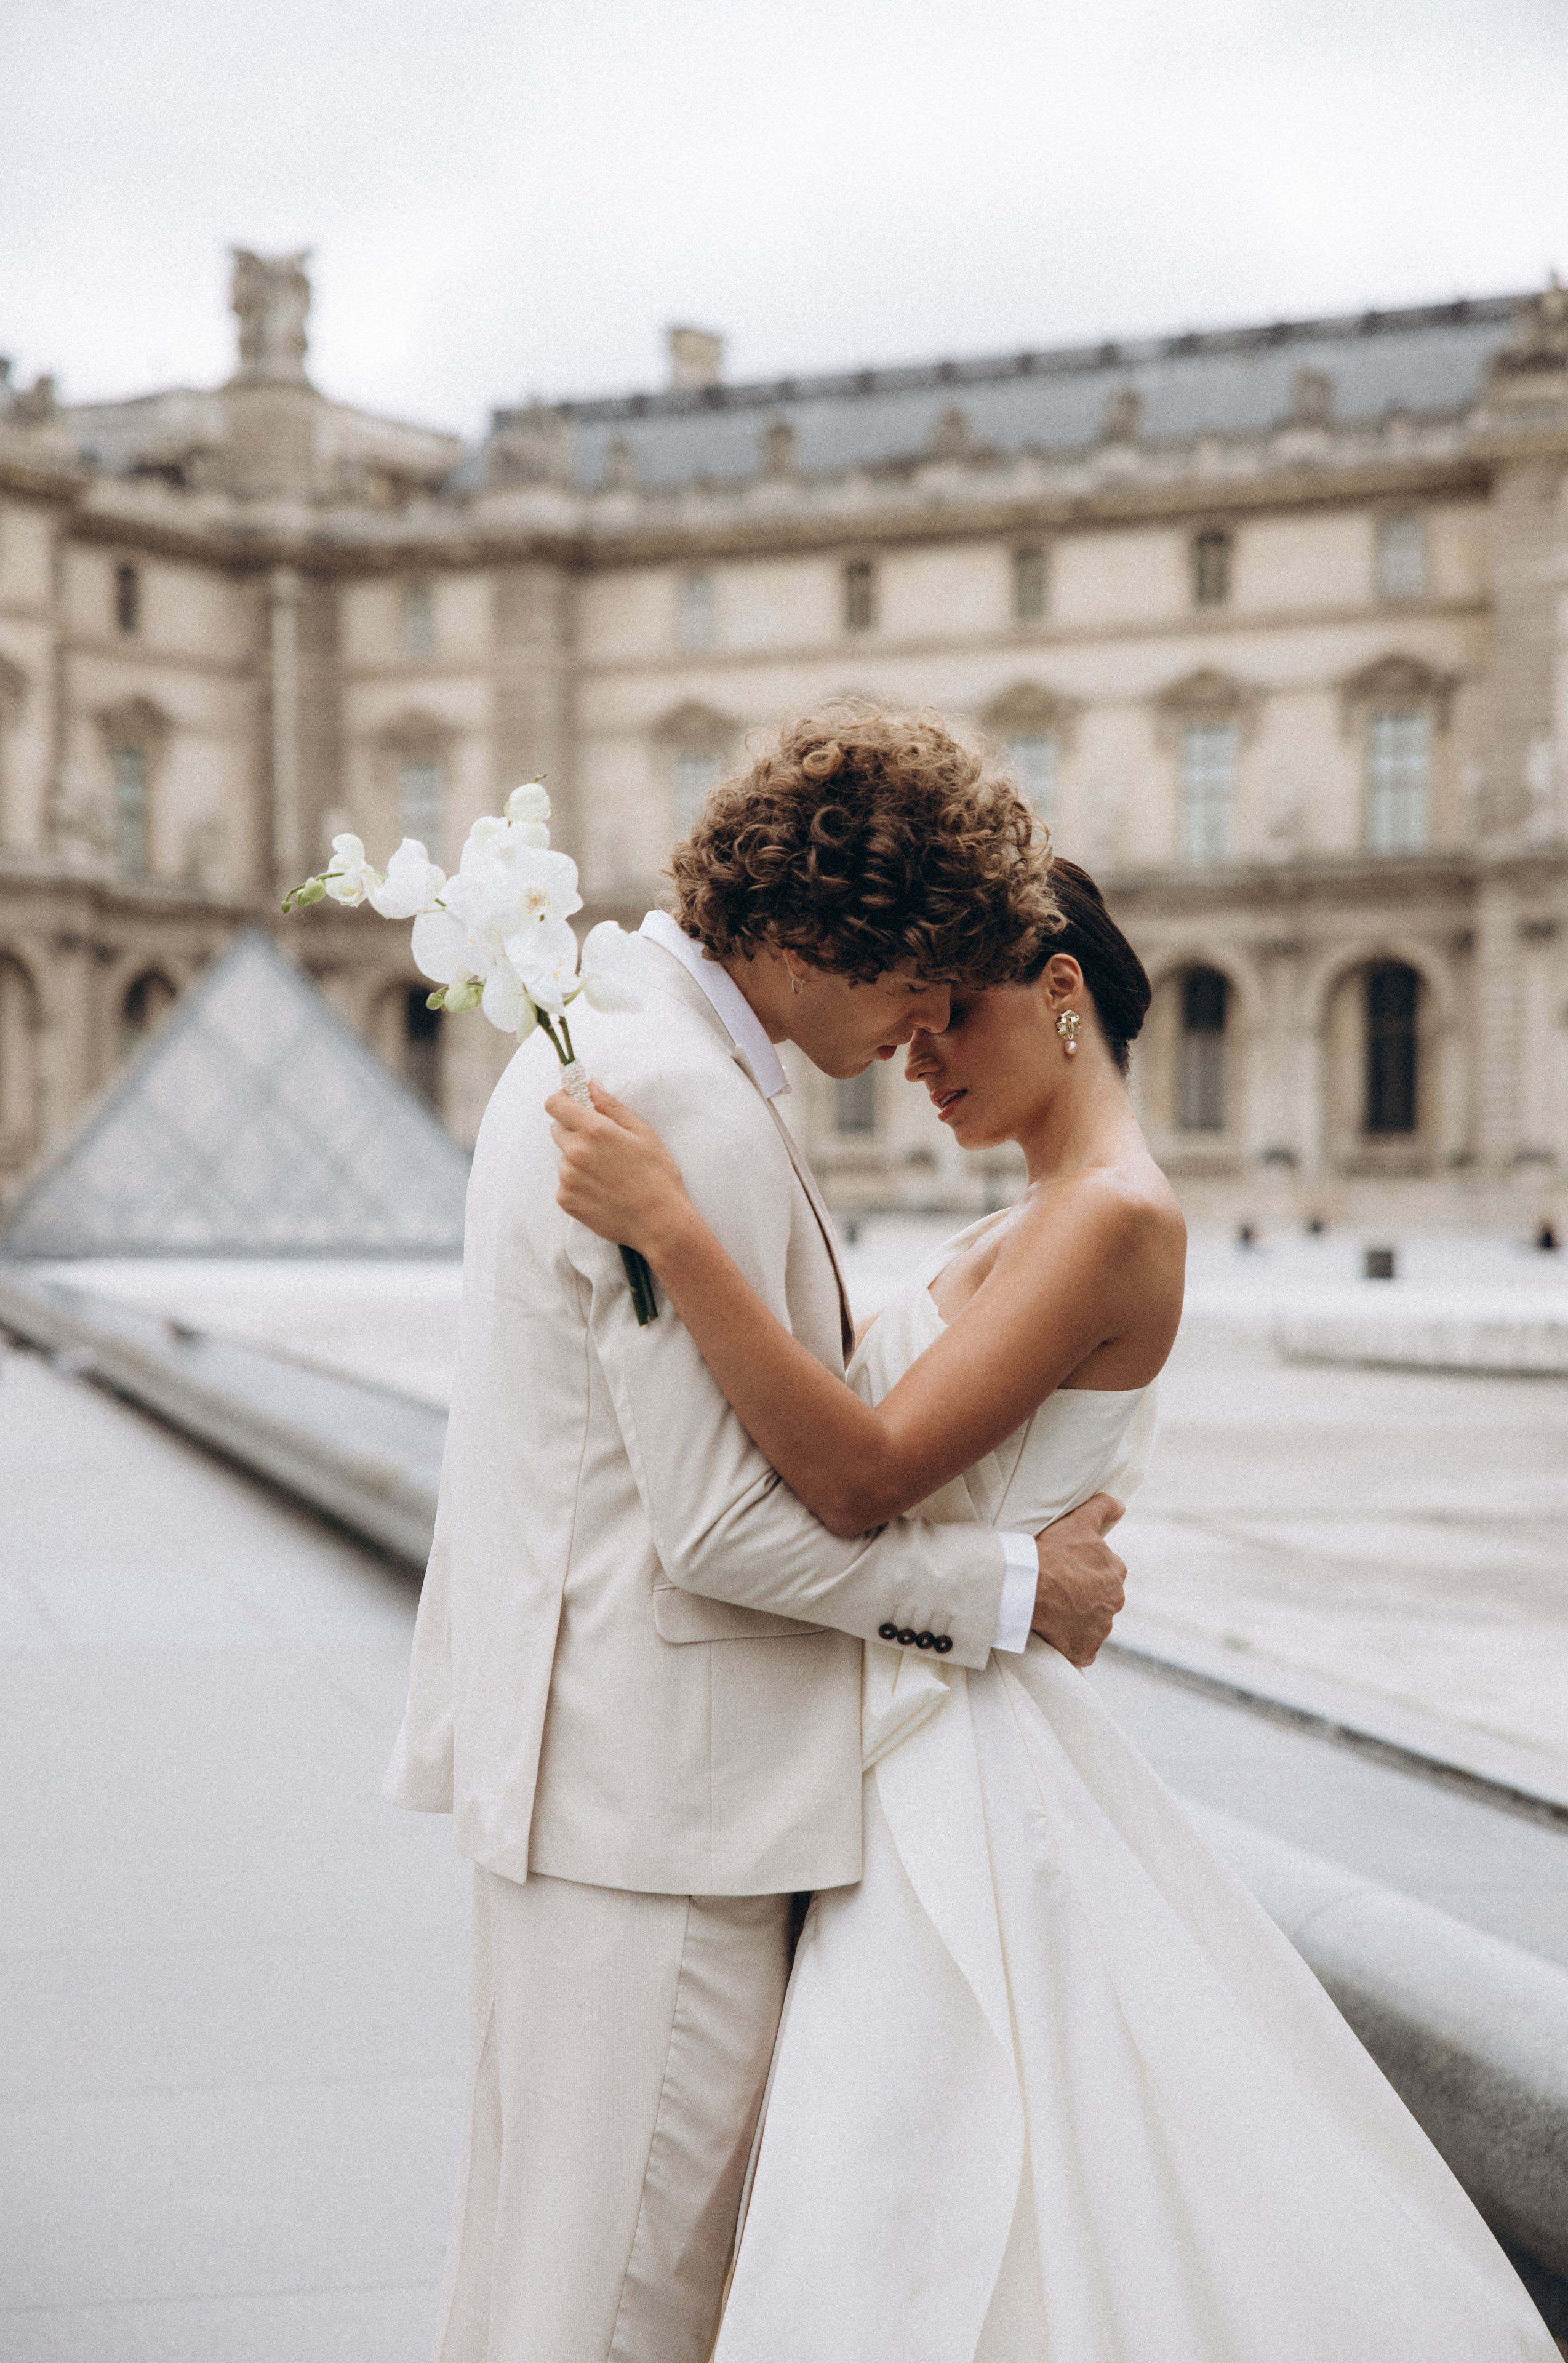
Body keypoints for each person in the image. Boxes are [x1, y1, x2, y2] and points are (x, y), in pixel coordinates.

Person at [549, 857, 1558, 2362]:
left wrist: (671, 1230)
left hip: (956, 1765)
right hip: (920, 1725)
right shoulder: (1040, 1211)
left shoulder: (1109, 1216)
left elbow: (858, 1472)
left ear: (1062, 991)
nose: (916, 1057)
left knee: (911, 2188)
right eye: (907, 1025)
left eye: (947, 1015)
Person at [383, 704, 1132, 2363]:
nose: (931, 1022)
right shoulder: (686, 1105)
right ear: (827, 941)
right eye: (925, 975)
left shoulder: (597, 1037)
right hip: (667, 1803)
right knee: (630, 2307)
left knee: (534, 2280)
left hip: (583, 1773)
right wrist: (1023, 1584)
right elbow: (725, 1533)